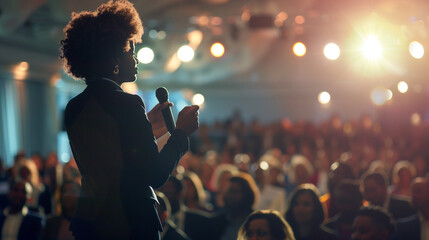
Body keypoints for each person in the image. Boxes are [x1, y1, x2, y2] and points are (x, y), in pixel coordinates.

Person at [61, 1, 199, 239]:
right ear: (114, 59)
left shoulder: (74, 107)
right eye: (130, 52)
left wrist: (145, 126)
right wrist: (181, 134)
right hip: (129, 222)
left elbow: (110, 154)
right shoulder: (127, 103)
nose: (135, 60)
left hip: (90, 223)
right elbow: (153, 174)